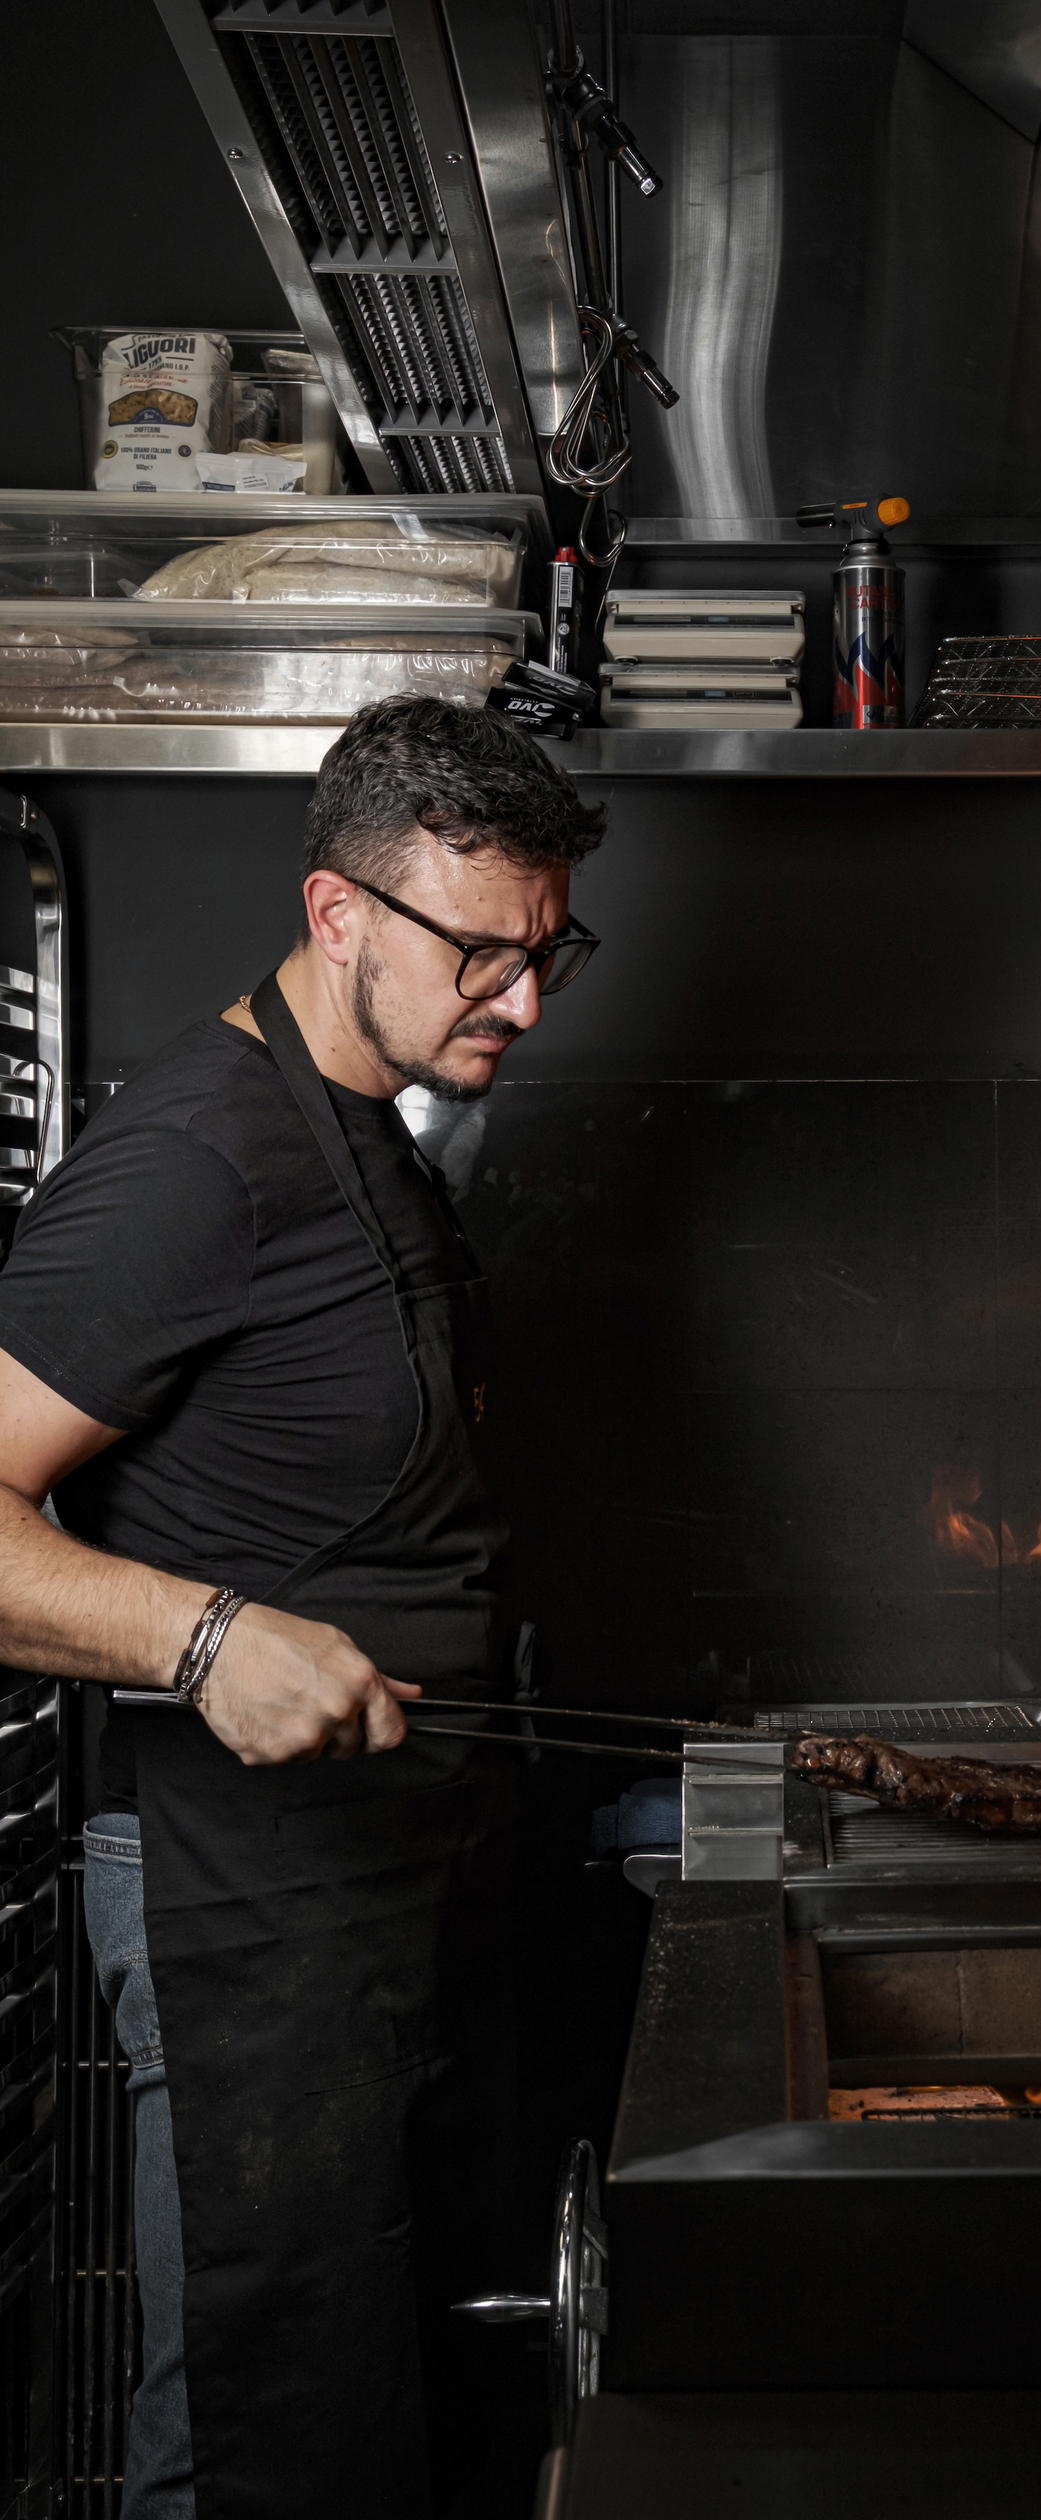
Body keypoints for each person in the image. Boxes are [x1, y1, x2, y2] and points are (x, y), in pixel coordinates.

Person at [0, 696, 606, 2520]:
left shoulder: (370, 1130)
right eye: (479, 952)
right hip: (231, 1901)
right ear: (339, 914)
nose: (523, 998)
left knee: (373, 2409)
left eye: (549, 949)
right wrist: (205, 1640)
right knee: (271, 2421)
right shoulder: (192, 1160)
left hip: (381, 1886)